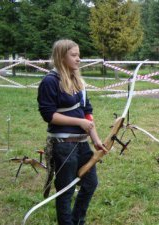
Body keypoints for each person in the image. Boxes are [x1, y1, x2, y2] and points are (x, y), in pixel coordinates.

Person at [37, 39, 105, 225]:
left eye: (78, 55)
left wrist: (96, 139)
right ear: (61, 57)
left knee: (90, 184)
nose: (78, 59)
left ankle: (77, 221)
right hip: (64, 145)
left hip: (82, 144)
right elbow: (49, 115)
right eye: (74, 55)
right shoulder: (50, 81)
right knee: (65, 191)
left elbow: (87, 113)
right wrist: (79, 122)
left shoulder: (78, 81)